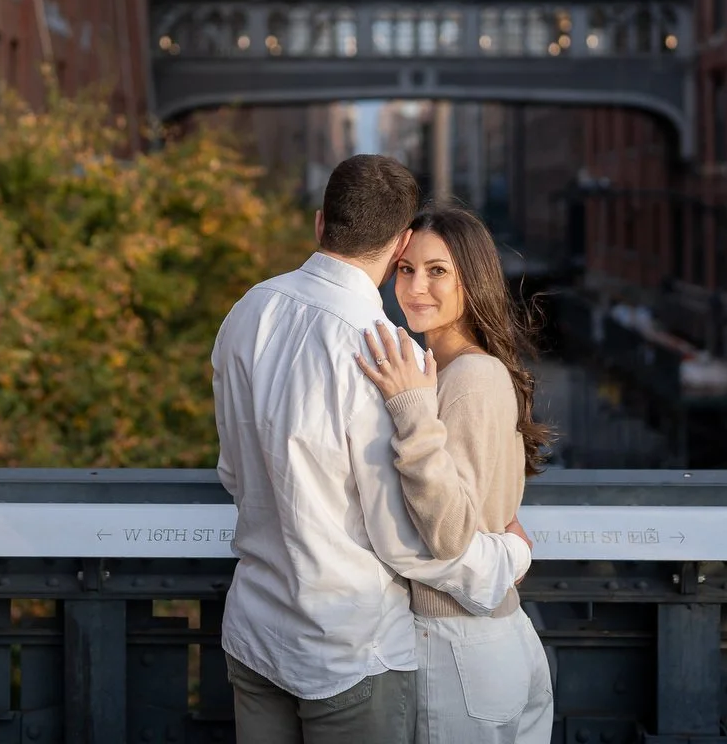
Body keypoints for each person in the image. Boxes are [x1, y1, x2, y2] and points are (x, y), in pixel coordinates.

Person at [213, 155, 535, 742]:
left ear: (320, 224)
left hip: (254, 630)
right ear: (401, 242)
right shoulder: (383, 350)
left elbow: (234, 474)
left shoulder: (247, 311)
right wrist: (508, 558)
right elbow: (403, 539)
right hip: (349, 648)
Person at [356, 203, 555, 743]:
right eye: (405, 269)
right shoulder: (449, 368)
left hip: (458, 645)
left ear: (473, 279)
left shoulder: (469, 376)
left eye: (437, 270)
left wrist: (411, 412)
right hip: (486, 639)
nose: (415, 286)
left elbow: (449, 532)